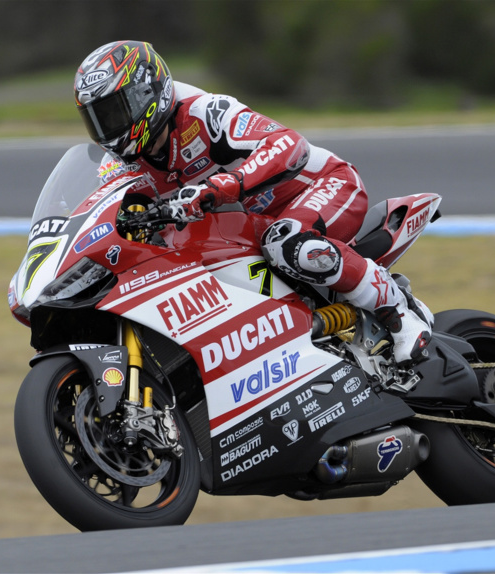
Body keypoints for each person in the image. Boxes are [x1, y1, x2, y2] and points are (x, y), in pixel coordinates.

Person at [74, 40, 432, 365]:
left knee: (286, 240)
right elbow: (105, 206)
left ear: (147, 94)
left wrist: (228, 184)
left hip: (322, 186)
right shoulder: (120, 163)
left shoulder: (205, 112)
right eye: (98, 120)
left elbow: (290, 145)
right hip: (252, 227)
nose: (109, 128)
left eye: (114, 112)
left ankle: (397, 311)